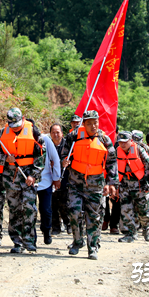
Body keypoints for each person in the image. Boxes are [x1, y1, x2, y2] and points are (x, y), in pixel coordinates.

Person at [60, 110, 118, 260]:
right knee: (73, 211)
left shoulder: (105, 139)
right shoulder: (73, 137)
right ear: (83, 124)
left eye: (95, 122)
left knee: (93, 216)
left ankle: (92, 247)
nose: (93, 126)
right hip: (75, 182)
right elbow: (64, 153)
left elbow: (112, 162)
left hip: (95, 184)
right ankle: (77, 241)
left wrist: (112, 183)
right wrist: (64, 160)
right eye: (89, 123)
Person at [0, 107, 45, 253]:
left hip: (28, 174)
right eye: (12, 126)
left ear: (23, 119)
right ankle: (17, 242)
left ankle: (29, 241)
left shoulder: (34, 132)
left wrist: (33, 175)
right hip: (11, 177)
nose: (15, 129)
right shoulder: (2, 133)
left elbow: (41, 155)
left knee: (29, 208)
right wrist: (5, 158)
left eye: (17, 125)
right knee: (14, 209)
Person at [115, 131, 149, 243]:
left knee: (143, 210)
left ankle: (147, 229)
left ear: (131, 141)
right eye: (120, 142)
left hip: (140, 184)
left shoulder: (139, 149)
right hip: (124, 185)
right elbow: (113, 168)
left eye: (125, 142)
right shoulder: (117, 151)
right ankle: (130, 234)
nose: (122, 144)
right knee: (126, 209)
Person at [36, 121, 61, 245]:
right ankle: (31, 238)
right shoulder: (19, 140)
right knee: (30, 210)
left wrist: (57, 178)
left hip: (45, 180)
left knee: (45, 209)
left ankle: (46, 231)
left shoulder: (45, 139)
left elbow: (55, 158)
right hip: (27, 181)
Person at [133, 130, 149, 231]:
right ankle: (136, 227)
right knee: (134, 206)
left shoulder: (147, 149)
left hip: (146, 181)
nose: (137, 143)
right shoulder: (129, 149)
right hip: (134, 182)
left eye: (138, 140)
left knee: (147, 205)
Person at [50, 124, 71, 235]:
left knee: (65, 204)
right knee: (52, 204)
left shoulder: (68, 145)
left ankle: (69, 225)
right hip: (51, 178)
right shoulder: (48, 145)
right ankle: (56, 227)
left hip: (65, 178)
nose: (56, 135)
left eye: (58, 132)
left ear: (62, 133)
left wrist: (66, 162)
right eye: (53, 132)